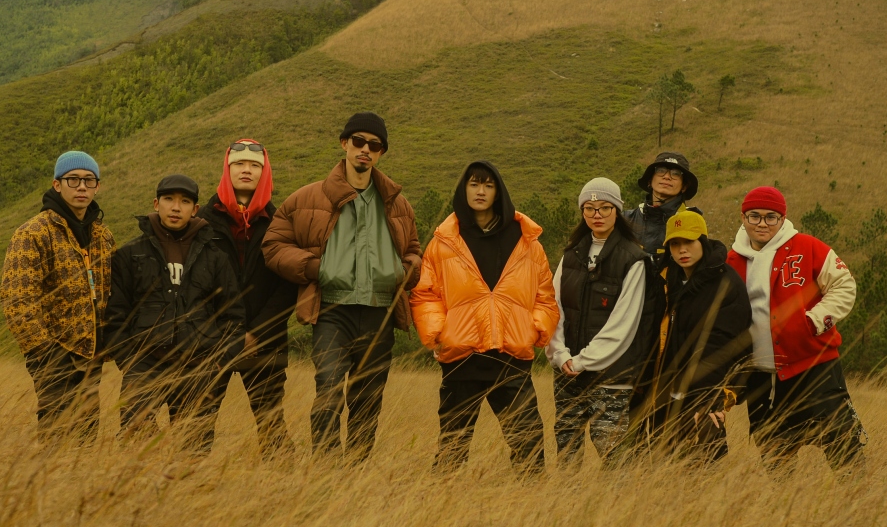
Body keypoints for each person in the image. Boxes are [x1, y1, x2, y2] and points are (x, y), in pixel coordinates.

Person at [262, 112, 421, 463]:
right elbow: (273, 245)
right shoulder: (308, 198)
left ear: (381, 152)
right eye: (358, 141)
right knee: (329, 393)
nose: (365, 149)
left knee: (368, 401)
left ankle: (356, 476)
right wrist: (316, 268)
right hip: (332, 312)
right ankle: (326, 470)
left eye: (374, 145)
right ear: (344, 144)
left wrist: (405, 270)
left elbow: (413, 251)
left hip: (380, 314)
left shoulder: (397, 204)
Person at [410, 161, 559, 474]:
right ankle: (441, 514)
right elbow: (425, 294)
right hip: (462, 359)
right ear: (464, 190)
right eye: (474, 184)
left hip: (511, 360)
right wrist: (439, 333)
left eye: (488, 185)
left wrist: (533, 332)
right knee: (453, 448)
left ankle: (532, 514)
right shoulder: (445, 241)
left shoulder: (527, 241)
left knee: (529, 444)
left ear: (498, 191)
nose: (480, 191)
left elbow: (545, 297)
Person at [726, 186, 867, 472]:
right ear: (743, 218)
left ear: (782, 219)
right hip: (761, 376)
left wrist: (814, 322)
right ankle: (788, 512)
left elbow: (844, 285)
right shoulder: (732, 260)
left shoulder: (808, 247)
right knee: (774, 452)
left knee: (841, 444)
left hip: (814, 366)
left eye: (770, 217)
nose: (762, 223)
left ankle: (858, 506)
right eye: (754, 216)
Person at [105, 174, 246, 452]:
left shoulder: (214, 257)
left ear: (195, 210)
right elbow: (115, 315)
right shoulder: (131, 254)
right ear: (156, 204)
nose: (175, 207)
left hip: (199, 364)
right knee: (135, 441)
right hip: (145, 363)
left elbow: (233, 314)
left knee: (194, 449)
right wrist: (129, 361)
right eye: (169, 199)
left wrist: (220, 362)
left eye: (184, 201)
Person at [1, 150, 115, 444]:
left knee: (87, 440)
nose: (81, 187)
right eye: (73, 179)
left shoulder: (102, 236)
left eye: (88, 180)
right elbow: (17, 300)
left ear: (97, 186)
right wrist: (45, 352)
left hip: (92, 353)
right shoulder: (33, 234)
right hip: (54, 355)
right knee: (56, 439)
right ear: (57, 185)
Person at [549, 178, 661, 469]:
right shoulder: (571, 255)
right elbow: (554, 309)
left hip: (611, 374)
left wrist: (583, 361)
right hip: (567, 371)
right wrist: (560, 355)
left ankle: (618, 513)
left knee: (612, 452)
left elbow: (624, 323)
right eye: (589, 208)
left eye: (604, 207)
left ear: (617, 211)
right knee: (566, 450)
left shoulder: (633, 259)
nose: (596, 215)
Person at [197, 139, 298, 461]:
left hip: (265, 341)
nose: (246, 170)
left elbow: (287, 286)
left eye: (254, 165)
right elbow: (195, 285)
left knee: (271, 424)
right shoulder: (201, 222)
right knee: (197, 423)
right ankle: (186, 489)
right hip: (212, 342)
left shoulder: (281, 222)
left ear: (264, 172)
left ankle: (282, 496)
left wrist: (257, 331)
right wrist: (223, 332)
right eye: (239, 164)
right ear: (227, 169)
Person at [649, 209, 753, 461]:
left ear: (703, 242)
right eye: (675, 244)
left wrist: (709, 399)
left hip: (707, 391)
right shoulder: (670, 279)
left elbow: (722, 345)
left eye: (688, 242)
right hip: (669, 392)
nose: (682, 250)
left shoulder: (725, 282)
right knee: (662, 467)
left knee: (706, 465)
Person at [624, 152, 701, 269]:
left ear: (684, 186)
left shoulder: (691, 222)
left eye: (675, 174)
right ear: (650, 180)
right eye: (660, 170)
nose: (667, 176)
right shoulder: (626, 219)